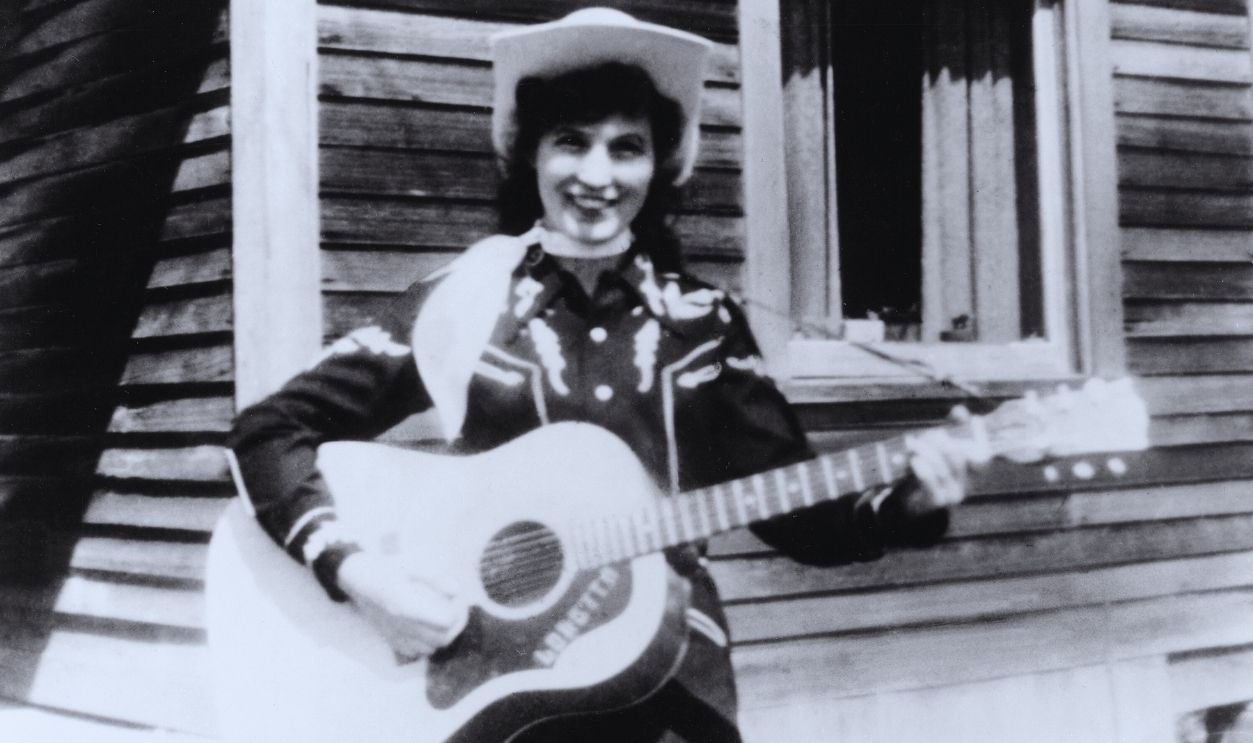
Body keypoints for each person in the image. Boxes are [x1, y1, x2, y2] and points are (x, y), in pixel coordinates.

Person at [227, 8, 977, 742]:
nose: (596, 174)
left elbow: (795, 508)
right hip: (495, 680)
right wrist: (359, 573)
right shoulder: (463, 298)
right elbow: (270, 431)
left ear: (660, 166)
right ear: (530, 156)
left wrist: (907, 501)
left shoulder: (702, 321)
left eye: (626, 148)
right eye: (570, 142)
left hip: (673, 676)